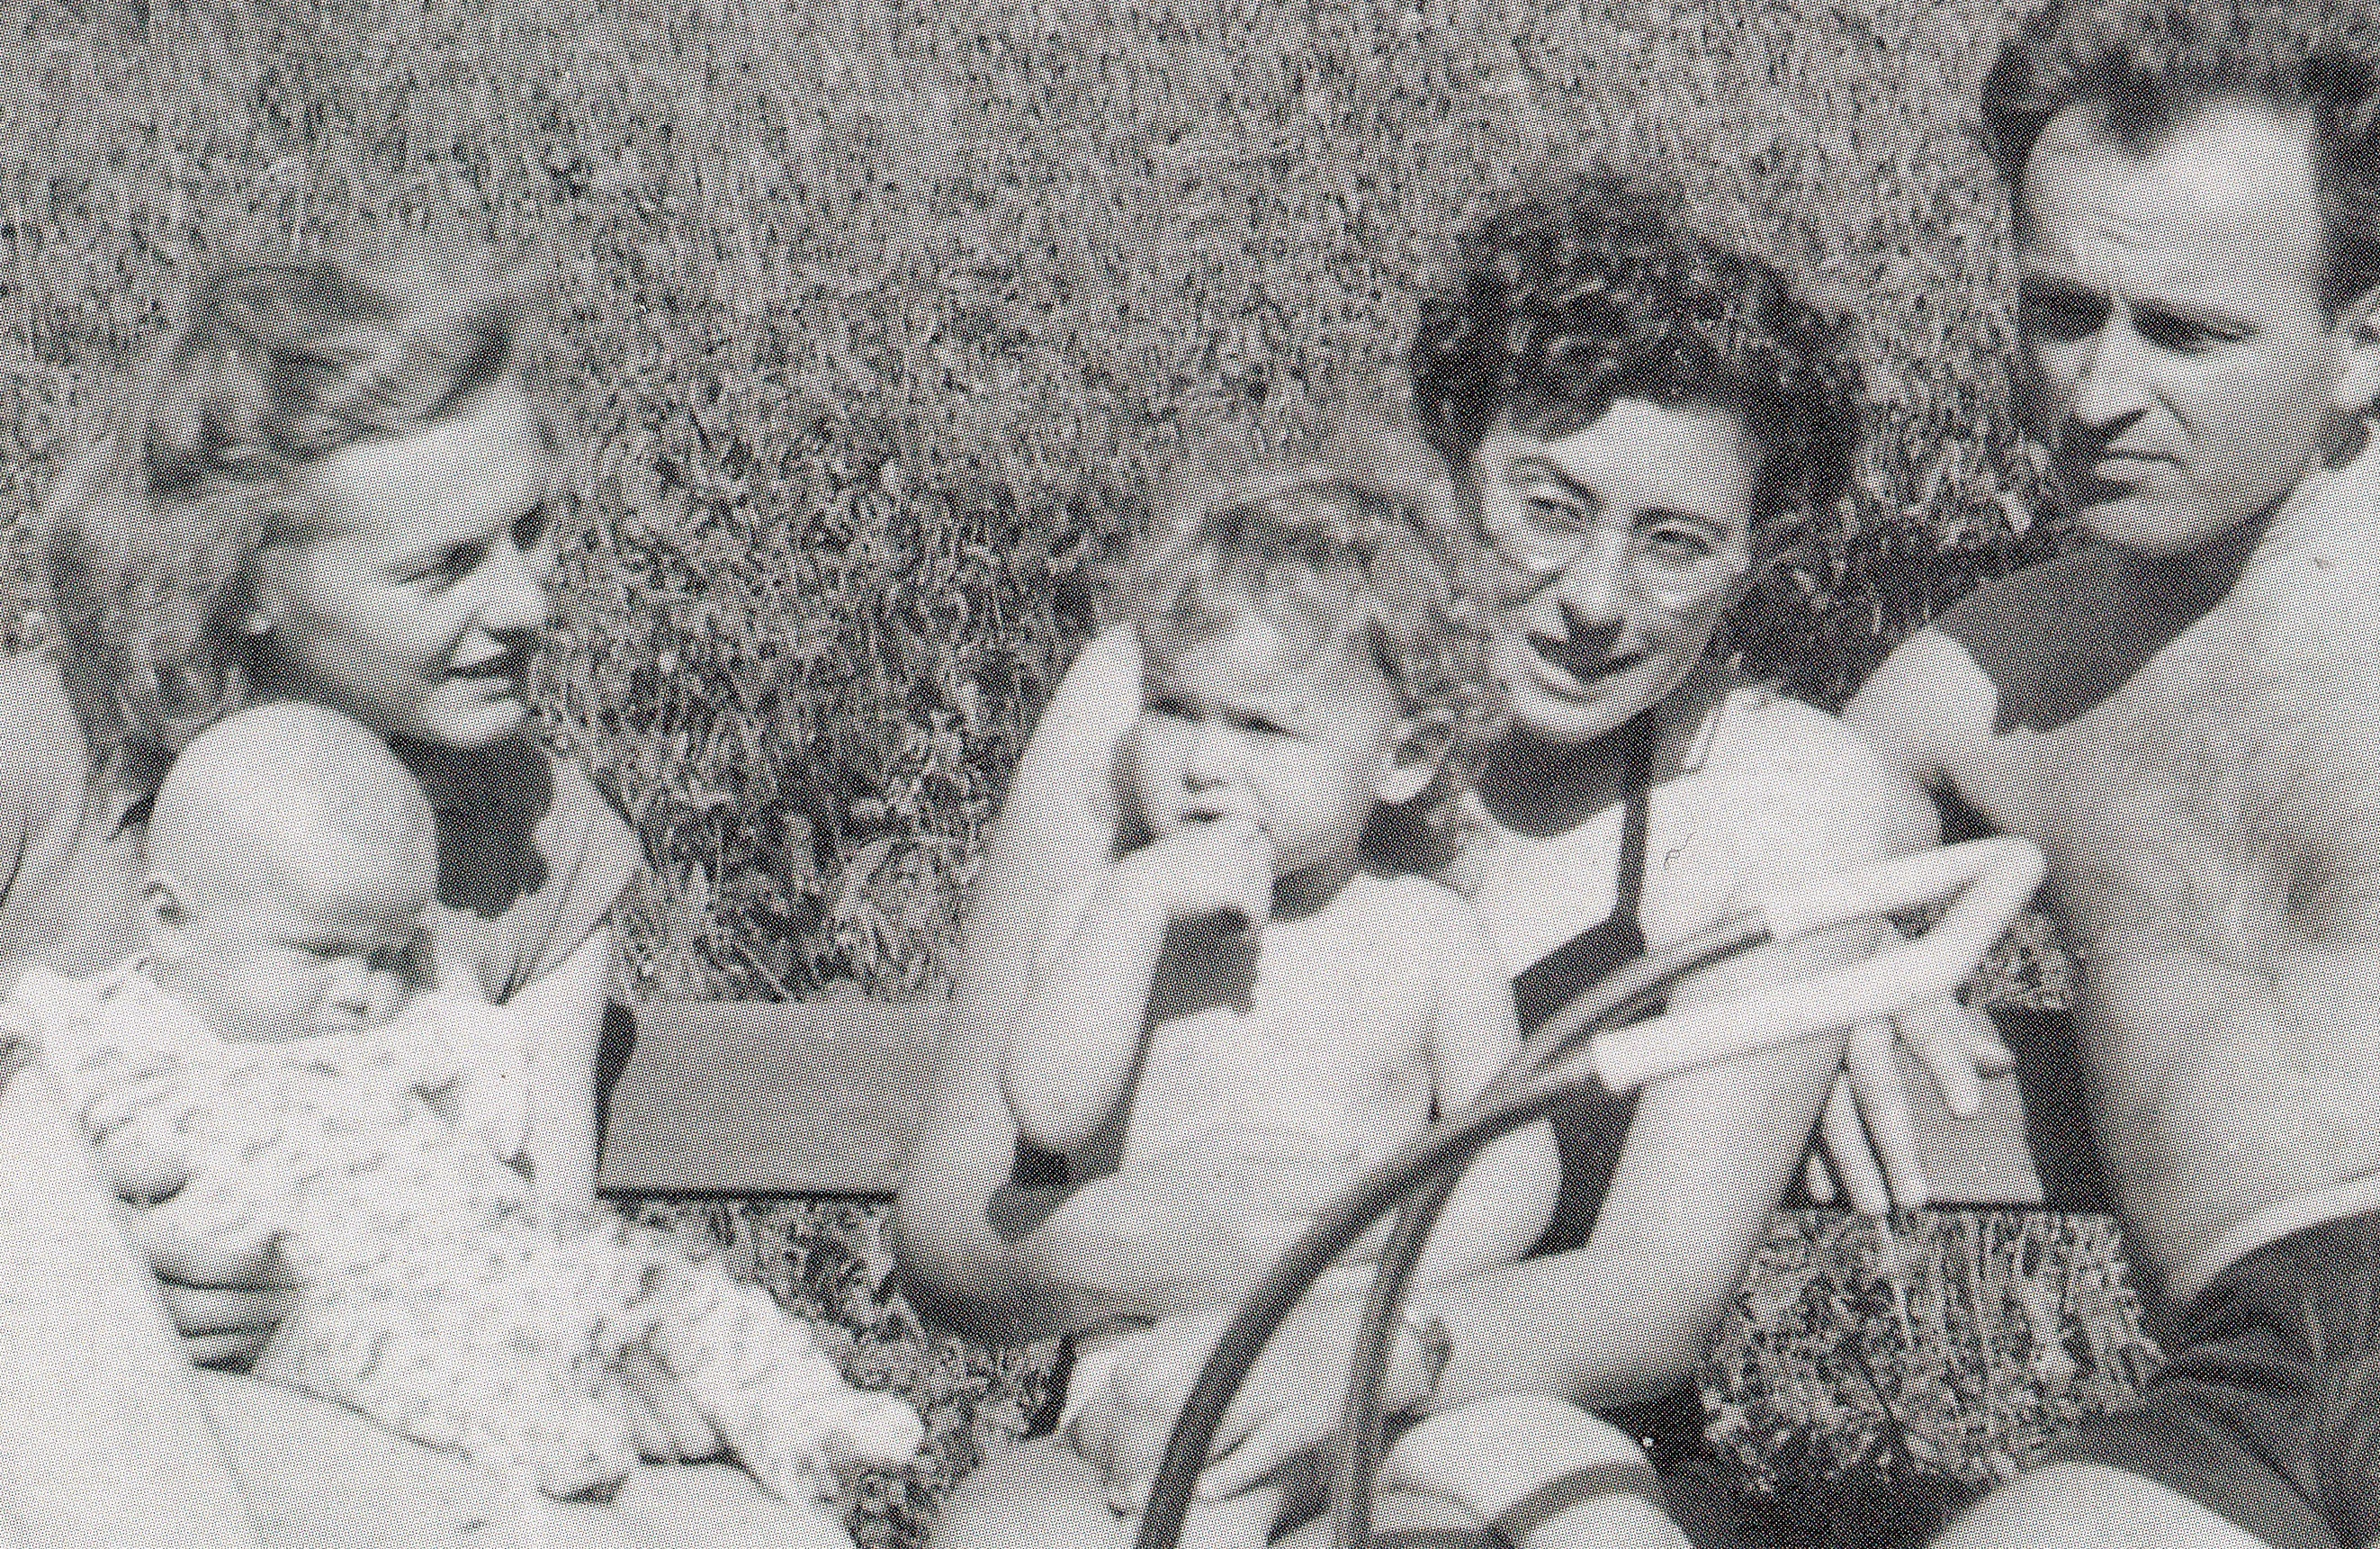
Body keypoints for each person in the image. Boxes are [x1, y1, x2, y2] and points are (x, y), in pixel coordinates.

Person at [901, 169, 2023, 1548]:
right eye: (1547, 507)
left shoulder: (1781, 797)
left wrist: (1368, 1344)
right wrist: (1146, 1244)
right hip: (1160, 1412)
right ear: (1452, 456)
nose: (1596, 599)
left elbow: (1659, 1291)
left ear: (1760, 549)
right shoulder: (1178, 708)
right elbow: (947, 1232)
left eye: (1675, 545)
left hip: (1523, 1450)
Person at [1840, 0, 2380, 1549]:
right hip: (2230, 1399)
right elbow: (1751, 851)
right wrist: (1850, 968)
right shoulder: (1981, 675)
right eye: (2061, 313)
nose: (2098, 392)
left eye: (2185, 331)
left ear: (2363, 342)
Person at [0, 246, 851, 1549]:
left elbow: (529, 1235)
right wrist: (79, 1256)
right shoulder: (40, 758)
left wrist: (612, 1346)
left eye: (531, 531)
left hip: (361, 1429)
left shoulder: (537, 841)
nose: (526, 600)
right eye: (444, 565)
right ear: (247, 580)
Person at [9, 700, 926, 1508]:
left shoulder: (423, 1018)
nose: (361, 991)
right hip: (317, 1301)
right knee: (392, 1352)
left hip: (473, 1257)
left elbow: (516, 1153)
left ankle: (802, 1411)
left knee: (661, 1278)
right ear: (170, 922)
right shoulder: (94, 1032)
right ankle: (538, 1434)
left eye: (388, 953)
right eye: (321, 953)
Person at [997, 447, 1560, 1546]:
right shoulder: (1103, 915)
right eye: (1174, 708)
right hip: (1164, 1356)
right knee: (1204, 1511)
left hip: (1372, 1344)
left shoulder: (1428, 930)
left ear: (1403, 756)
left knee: (1580, 1480)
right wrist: (1136, 902)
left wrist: (1376, 1302)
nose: (1205, 762)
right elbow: (1051, 1111)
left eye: (1261, 726)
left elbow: (1513, 1167)